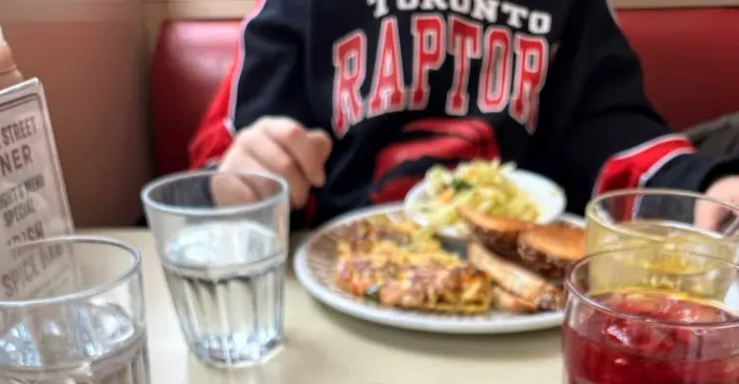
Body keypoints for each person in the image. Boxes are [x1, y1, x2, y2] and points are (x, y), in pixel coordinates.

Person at [189, 0, 739, 228]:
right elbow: (233, 155)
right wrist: (237, 184)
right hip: (337, 289)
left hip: (521, 302)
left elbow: (615, 138)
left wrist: (706, 187)